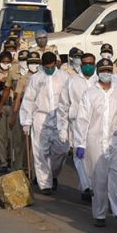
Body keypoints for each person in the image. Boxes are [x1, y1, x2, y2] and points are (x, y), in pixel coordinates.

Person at [73, 58, 117, 228]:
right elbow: (82, 120)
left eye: (108, 70)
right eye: (102, 70)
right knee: (99, 180)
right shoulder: (90, 93)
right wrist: (80, 143)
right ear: (98, 72)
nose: (106, 73)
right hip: (96, 141)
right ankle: (99, 213)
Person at [19, 51, 71, 194]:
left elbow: (69, 99)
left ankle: (52, 174)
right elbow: (29, 100)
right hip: (40, 118)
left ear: (56, 64)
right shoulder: (36, 78)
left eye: (51, 66)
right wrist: (26, 121)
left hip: (59, 117)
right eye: (46, 67)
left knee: (62, 150)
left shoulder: (64, 77)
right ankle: (45, 184)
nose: (49, 69)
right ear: (42, 65)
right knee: (40, 152)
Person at [60, 51, 97, 201]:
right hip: (76, 123)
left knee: (92, 157)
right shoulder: (72, 81)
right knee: (79, 156)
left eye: (91, 63)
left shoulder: (100, 80)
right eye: (85, 64)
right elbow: (63, 104)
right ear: (81, 65)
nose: (88, 66)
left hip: (95, 124)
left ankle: (87, 188)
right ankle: (87, 186)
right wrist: (62, 128)